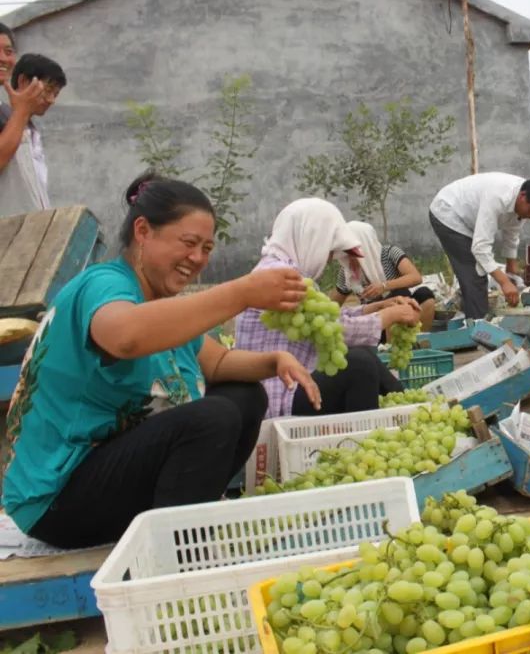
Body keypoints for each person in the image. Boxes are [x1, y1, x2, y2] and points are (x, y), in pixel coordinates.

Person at [0, 173, 318, 548]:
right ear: (143, 231)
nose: (197, 259)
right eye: (188, 243)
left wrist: (275, 360)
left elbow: (215, 363)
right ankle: (179, 551)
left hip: (109, 479)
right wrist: (241, 292)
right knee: (211, 418)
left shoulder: (159, 302)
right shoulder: (104, 285)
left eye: (206, 248)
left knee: (246, 398)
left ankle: (187, 524)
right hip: (60, 498)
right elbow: (126, 336)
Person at [235, 199, 421, 418]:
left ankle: (408, 409)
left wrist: (379, 306)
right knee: (359, 365)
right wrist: (391, 315)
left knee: (361, 358)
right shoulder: (280, 277)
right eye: (329, 250)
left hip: (295, 384)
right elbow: (338, 330)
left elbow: (327, 319)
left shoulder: (286, 270)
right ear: (312, 240)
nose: (330, 259)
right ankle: (368, 436)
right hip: (280, 396)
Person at [429, 173, 530, 318]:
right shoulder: (498, 197)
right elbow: (480, 248)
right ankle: (478, 328)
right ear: (522, 196)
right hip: (448, 212)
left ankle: (469, 316)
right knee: (476, 274)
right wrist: (504, 282)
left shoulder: (526, 199)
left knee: (477, 274)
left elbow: (513, 230)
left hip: (467, 218)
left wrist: (511, 263)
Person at [331, 221, 437, 332]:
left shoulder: (389, 253)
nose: (348, 257)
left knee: (422, 294)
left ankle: (420, 339)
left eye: (351, 252)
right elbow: (334, 303)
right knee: (396, 299)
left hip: (405, 309)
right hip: (377, 322)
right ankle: (390, 347)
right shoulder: (348, 272)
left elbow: (415, 277)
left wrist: (384, 286)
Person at [0, 52, 63, 217]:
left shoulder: (32, 131)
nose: (51, 100)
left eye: (55, 94)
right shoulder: (4, 118)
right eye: (48, 90)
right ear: (23, 82)